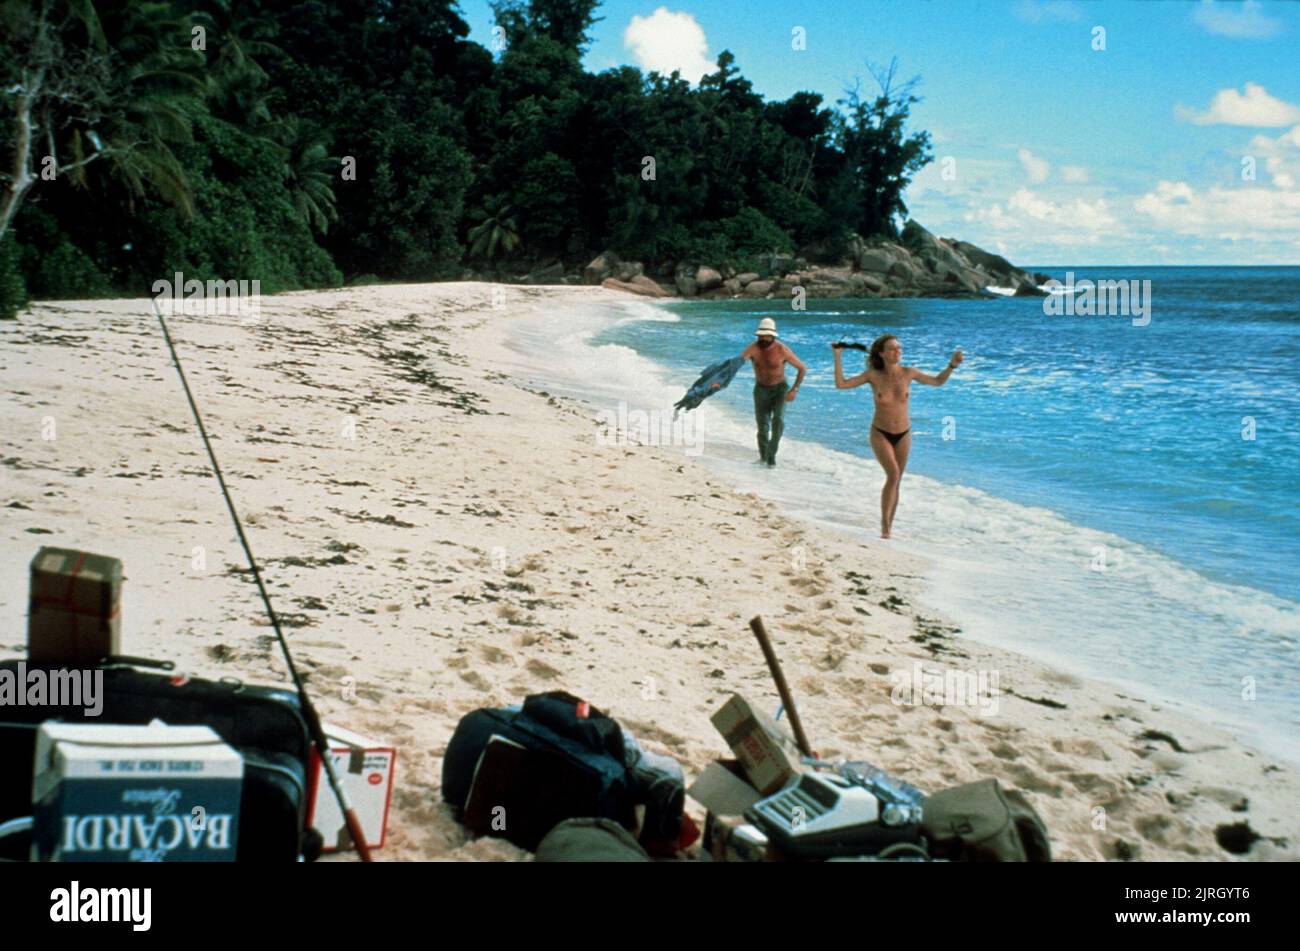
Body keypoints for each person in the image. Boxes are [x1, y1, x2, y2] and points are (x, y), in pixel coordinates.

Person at [832, 334, 963, 538]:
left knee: (897, 480)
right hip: (880, 432)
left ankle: (889, 527)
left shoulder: (908, 373)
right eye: (892, 348)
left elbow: (937, 381)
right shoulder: (873, 375)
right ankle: (884, 527)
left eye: (899, 348)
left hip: (904, 433)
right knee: (892, 475)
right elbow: (841, 384)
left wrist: (951, 366)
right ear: (882, 353)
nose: (898, 351)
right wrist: (838, 356)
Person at [713, 317, 806, 467]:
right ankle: (763, 458)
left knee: (778, 421)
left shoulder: (782, 349)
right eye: (760, 335)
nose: (763, 338)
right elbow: (736, 365)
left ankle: (771, 456)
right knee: (762, 426)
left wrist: (794, 389)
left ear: (773, 336)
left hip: (780, 389)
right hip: (761, 389)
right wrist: (721, 381)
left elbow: (802, 368)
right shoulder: (753, 348)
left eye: (766, 335)